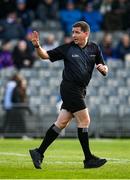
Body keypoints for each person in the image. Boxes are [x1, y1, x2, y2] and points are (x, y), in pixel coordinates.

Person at [29, 21, 108, 169]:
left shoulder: (94, 48)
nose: (74, 35)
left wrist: (104, 69)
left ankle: (38, 152)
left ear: (86, 33)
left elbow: (103, 66)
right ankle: (88, 159)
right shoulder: (67, 48)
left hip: (81, 90)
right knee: (85, 120)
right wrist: (37, 46)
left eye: (77, 32)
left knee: (61, 123)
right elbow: (45, 55)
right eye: (73, 32)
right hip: (69, 88)